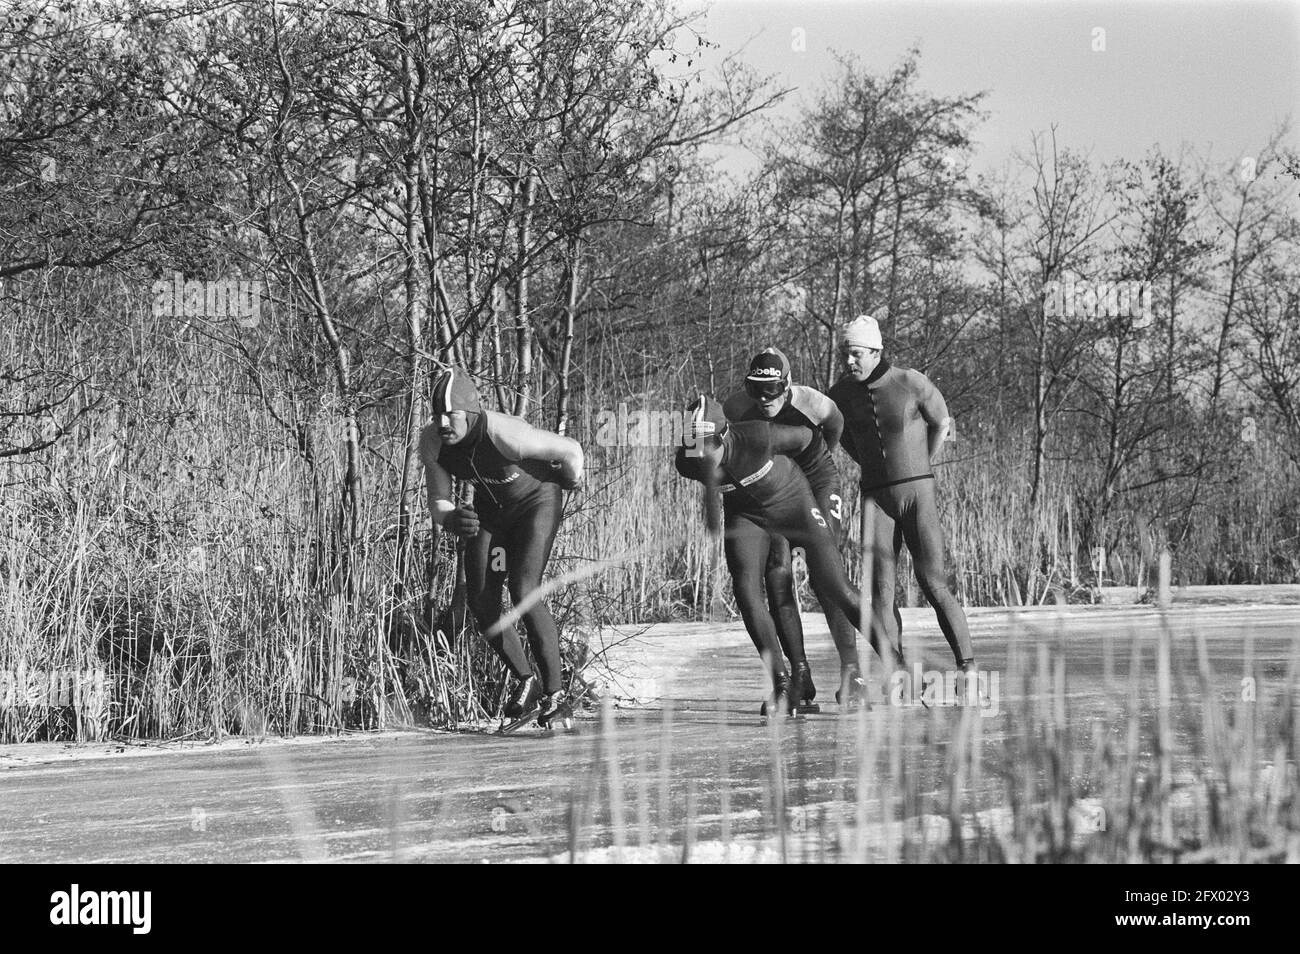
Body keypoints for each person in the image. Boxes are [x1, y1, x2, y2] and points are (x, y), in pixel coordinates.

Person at [675, 395, 906, 715]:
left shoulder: (760, 435)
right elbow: (709, 491)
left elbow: (811, 441)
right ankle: (784, 685)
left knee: (833, 583)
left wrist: (819, 491)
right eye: (693, 445)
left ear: (724, 435)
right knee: (746, 591)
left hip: (792, 499)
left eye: (707, 444)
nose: (700, 453)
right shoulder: (686, 461)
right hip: (747, 514)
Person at [419, 368, 584, 727]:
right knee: (482, 600)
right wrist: (450, 519)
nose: (443, 423)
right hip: (491, 514)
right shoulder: (432, 442)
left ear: (472, 414)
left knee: (523, 589)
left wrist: (572, 479)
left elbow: (571, 449)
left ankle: (557, 694)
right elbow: (438, 500)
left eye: (452, 415)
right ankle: (527, 681)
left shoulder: (505, 434)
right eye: (437, 415)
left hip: (535, 504)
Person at [829, 315, 975, 672]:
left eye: (856, 354)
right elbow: (838, 434)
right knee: (881, 592)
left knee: (933, 582)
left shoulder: (910, 381)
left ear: (876, 351)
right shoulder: (840, 395)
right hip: (875, 499)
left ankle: (968, 668)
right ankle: (899, 674)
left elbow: (942, 421)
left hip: (917, 495)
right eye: (845, 354)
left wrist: (923, 462)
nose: (849, 361)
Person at [723, 347, 865, 707]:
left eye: (773, 390)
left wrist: (815, 464)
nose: (764, 398)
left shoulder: (814, 404)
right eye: (756, 389)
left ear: (787, 386)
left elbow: (835, 428)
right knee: (777, 574)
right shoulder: (736, 408)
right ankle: (799, 675)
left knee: (825, 574)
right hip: (774, 489)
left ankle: (853, 671)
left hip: (816, 481)